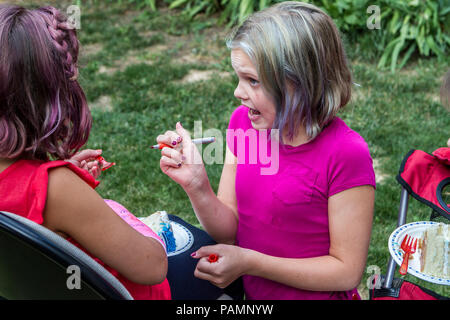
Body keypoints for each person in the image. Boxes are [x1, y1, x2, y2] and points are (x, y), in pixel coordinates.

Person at [157, 2, 376, 299]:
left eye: (252, 81)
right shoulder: (244, 125)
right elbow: (228, 231)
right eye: (238, 77)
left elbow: (346, 271)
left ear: (300, 84)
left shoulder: (345, 153)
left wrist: (252, 263)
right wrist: (197, 186)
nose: (238, 91)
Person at [0, 5, 170, 300]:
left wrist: (53, 174)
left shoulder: (52, 186)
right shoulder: (57, 189)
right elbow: (151, 267)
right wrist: (59, 183)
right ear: (49, 96)